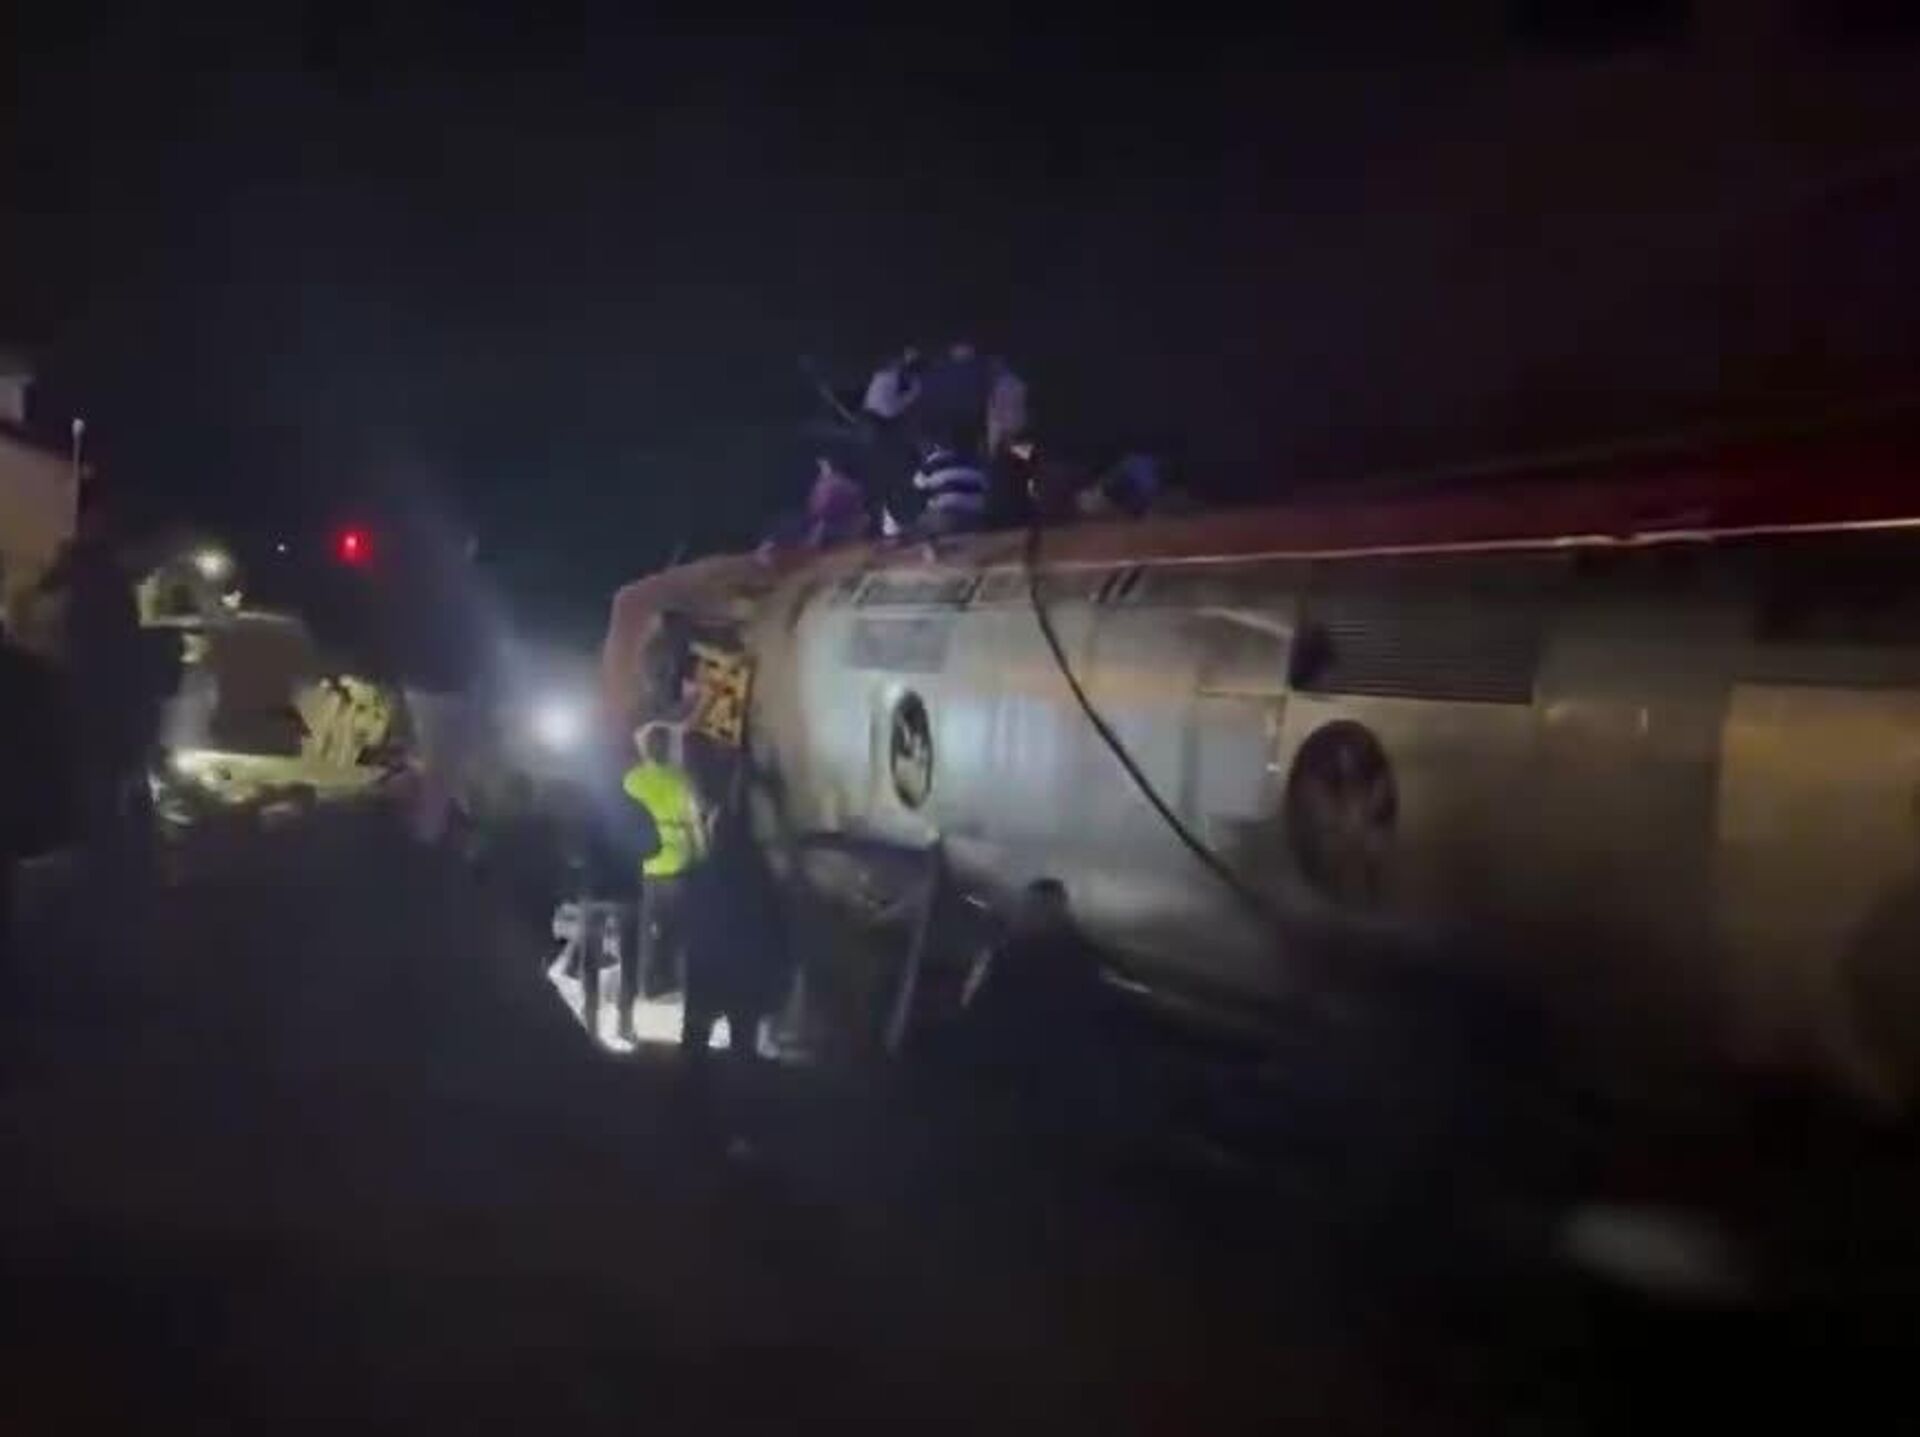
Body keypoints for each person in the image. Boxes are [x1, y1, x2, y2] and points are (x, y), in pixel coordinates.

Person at [864, 341, 1028, 537]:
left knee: (918, 525)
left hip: (948, 515)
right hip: (977, 518)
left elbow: (918, 489)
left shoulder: (936, 461)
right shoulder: (977, 461)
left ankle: (902, 536)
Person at [619, 721, 708, 1045]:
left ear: (644, 749)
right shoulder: (682, 780)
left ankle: (646, 986)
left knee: (643, 933)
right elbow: (695, 821)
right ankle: (681, 987)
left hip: (642, 865)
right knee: (682, 932)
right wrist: (702, 856)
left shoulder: (631, 780)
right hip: (679, 863)